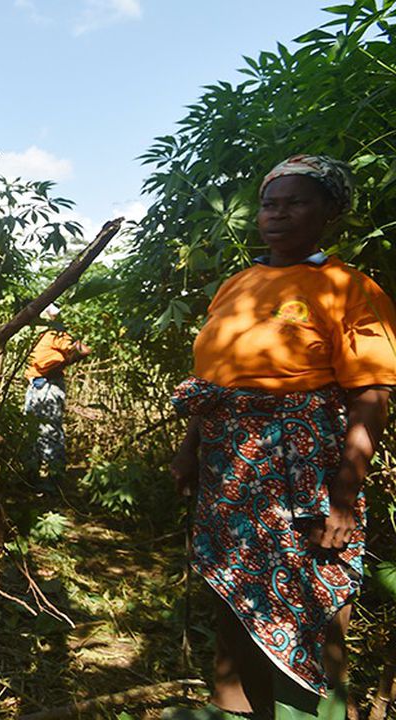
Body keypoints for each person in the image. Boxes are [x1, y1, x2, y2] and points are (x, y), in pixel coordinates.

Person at [166, 155, 396, 720]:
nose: (278, 213)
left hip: (303, 471)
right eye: (271, 202)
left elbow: (370, 395)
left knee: (310, 597)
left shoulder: (349, 289)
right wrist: (190, 448)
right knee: (235, 598)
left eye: (297, 202)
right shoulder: (237, 285)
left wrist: (343, 498)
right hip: (231, 468)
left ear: (329, 213)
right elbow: (216, 382)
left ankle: (312, 709)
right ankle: (237, 709)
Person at [22, 305, 90, 483]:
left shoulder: (55, 333)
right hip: (36, 385)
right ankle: (31, 476)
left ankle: (55, 479)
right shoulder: (39, 335)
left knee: (50, 430)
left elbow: (83, 350)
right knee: (32, 429)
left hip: (49, 385)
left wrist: (56, 368)